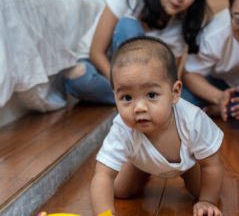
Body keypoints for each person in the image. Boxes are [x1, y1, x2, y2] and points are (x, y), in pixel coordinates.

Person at [90, 36, 224, 216]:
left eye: (151, 95)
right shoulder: (122, 128)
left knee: (202, 190)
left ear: (174, 93)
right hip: (140, 161)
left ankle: (191, 177)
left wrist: (207, 201)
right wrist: (103, 214)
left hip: (188, 163)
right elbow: (103, 175)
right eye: (127, 98)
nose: (139, 108)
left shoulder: (193, 120)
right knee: (120, 190)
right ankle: (140, 168)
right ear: (114, 97)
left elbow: (211, 165)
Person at [64, 0, 211, 105]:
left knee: (186, 99)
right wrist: (126, 87)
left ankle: (129, 101)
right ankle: (135, 100)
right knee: (78, 78)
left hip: (139, 80)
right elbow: (96, 53)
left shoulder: (179, 25)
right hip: (101, 68)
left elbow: (168, 75)